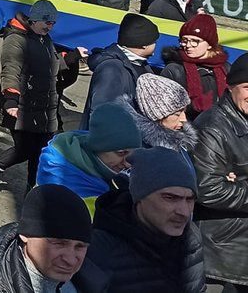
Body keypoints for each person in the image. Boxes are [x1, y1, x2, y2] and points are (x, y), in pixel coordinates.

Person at [0, 0, 82, 196]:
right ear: (34, 20)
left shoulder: (44, 38)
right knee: (25, 149)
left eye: (52, 23)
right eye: (46, 22)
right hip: (21, 103)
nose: (50, 27)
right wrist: (11, 99)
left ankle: (34, 190)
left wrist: (73, 57)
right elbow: (11, 69)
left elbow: (52, 64)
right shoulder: (16, 39)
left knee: (43, 150)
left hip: (43, 106)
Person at [87, 147, 206, 293]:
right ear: (140, 197)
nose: (184, 212)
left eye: (189, 200)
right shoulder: (100, 246)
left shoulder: (190, 236)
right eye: (170, 198)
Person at [0, 184, 107, 293]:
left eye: (80, 246)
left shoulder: (79, 284)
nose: (70, 260)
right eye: (59, 243)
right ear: (25, 235)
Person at [192, 54, 248, 293]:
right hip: (225, 253)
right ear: (231, 86)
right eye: (247, 87)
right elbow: (208, 188)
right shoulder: (213, 127)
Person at [35, 102, 142, 209]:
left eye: (133, 154)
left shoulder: (72, 148)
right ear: (98, 147)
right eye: (121, 153)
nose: (128, 164)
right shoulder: (81, 194)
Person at [81, 13, 158, 127]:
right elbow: (102, 114)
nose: (156, 45)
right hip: (115, 141)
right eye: (154, 41)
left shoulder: (140, 64)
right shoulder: (111, 69)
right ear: (144, 44)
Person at [159, 14, 230, 122]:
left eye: (194, 41)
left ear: (210, 44)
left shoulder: (225, 69)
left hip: (221, 128)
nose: (188, 45)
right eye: (184, 40)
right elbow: (164, 107)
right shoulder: (174, 70)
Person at [125, 73, 197, 154]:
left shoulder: (180, 140)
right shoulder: (141, 151)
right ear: (155, 116)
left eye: (184, 111)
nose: (184, 119)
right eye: (177, 114)